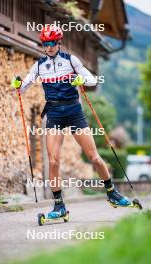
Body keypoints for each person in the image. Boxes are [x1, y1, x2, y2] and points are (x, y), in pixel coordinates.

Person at [11, 25, 131, 219]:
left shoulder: (71, 60)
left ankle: (112, 192)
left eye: (51, 43)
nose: (48, 47)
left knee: (94, 157)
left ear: (59, 42)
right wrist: (18, 86)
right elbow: (23, 87)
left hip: (74, 111)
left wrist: (79, 80)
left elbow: (92, 80)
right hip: (55, 113)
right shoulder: (40, 65)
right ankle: (59, 205)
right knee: (53, 161)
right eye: (45, 43)